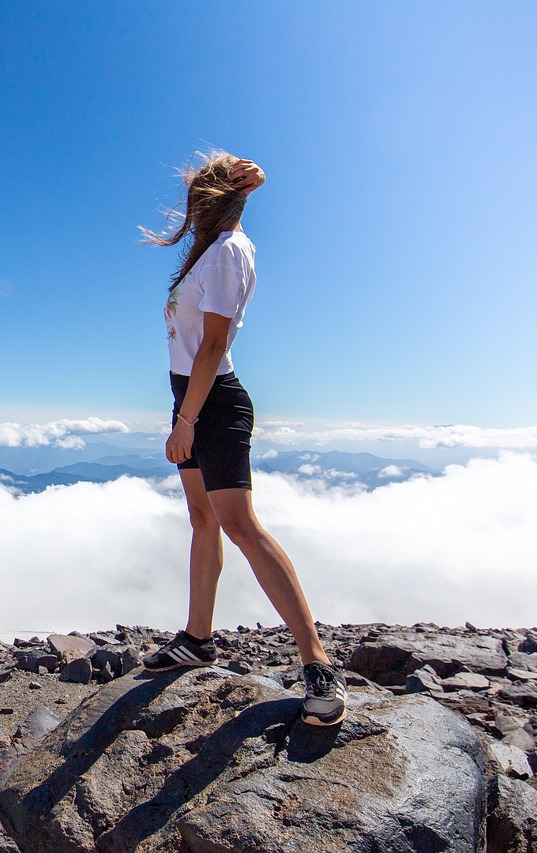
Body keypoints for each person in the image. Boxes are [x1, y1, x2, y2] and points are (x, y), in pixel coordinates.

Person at [137, 151, 346, 726]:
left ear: (214, 201)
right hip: (193, 399)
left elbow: (211, 345)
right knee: (204, 519)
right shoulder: (210, 253)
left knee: (240, 525)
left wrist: (185, 423)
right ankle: (197, 639)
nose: (189, 208)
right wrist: (182, 413)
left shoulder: (229, 251)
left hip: (214, 403)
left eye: (198, 197)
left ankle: (318, 663)